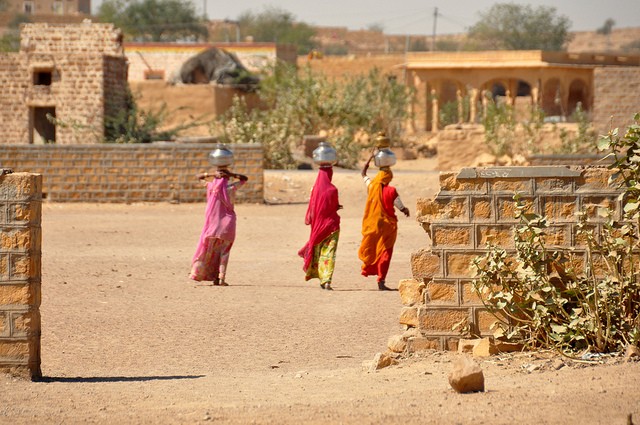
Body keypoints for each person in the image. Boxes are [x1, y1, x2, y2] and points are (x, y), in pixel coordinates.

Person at [358, 153, 410, 291]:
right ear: (389, 177)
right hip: (388, 227)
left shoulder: (371, 187)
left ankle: (373, 271)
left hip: (373, 225)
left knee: (375, 248)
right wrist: (405, 210)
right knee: (385, 252)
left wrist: (369, 159)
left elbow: (363, 174)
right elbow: (400, 206)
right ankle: (381, 280)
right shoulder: (391, 190)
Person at [190, 168, 248, 286]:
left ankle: (201, 274)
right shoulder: (231, 188)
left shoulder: (211, 187)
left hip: (212, 225)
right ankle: (221, 278)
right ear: (227, 179)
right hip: (228, 225)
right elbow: (244, 179)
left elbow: (198, 177)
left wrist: (211, 174)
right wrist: (230, 174)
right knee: (224, 252)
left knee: (209, 251)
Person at [298, 165, 342, 290]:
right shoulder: (333, 190)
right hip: (332, 226)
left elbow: (312, 208)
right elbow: (334, 206)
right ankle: (326, 280)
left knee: (318, 252)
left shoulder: (314, 189)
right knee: (329, 254)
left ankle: (319, 276)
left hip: (318, 227)